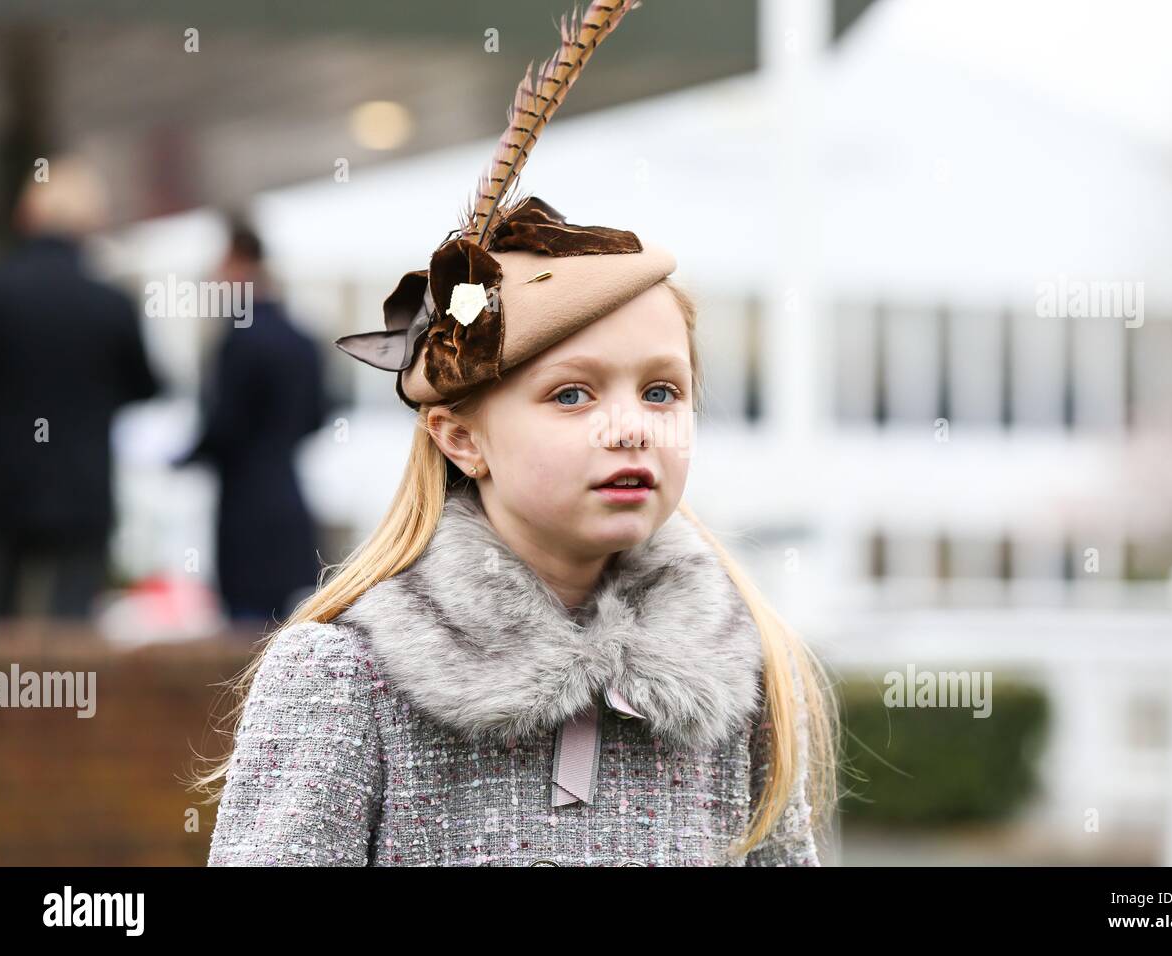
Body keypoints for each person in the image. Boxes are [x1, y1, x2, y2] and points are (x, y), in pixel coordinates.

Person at [200, 0, 836, 866]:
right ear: (461, 438)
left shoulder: (742, 680)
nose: (629, 430)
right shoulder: (343, 681)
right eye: (571, 396)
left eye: (661, 391)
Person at [0, 156, 159, 618]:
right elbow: (145, 386)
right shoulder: (109, 304)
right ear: (91, 223)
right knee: (73, 635)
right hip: (82, 488)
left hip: (1, 488)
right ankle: (61, 694)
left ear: (26, 216)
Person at [174, 218, 328, 624]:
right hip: (290, 500)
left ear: (239, 264)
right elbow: (318, 415)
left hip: (244, 508)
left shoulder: (239, 340)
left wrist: (184, 458)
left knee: (244, 633)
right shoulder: (303, 339)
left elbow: (225, 425)